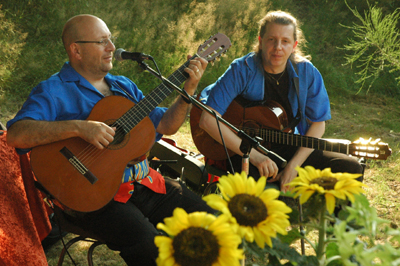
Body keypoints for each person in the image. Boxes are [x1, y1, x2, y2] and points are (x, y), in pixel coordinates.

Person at [7, 14, 214, 266]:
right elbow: (17, 134)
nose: (112, 48)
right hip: (87, 194)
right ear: (76, 50)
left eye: (111, 40)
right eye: (102, 41)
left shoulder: (123, 87)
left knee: (211, 221)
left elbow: (164, 125)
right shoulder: (53, 90)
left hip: (142, 183)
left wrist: (187, 93)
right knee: (150, 245)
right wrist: (79, 128)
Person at [199, 10, 363, 192]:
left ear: (294, 45)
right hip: (241, 149)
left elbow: (318, 124)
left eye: (285, 41)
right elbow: (207, 120)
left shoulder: (307, 72)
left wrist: (294, 166)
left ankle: (331, 219)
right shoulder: (242, 69)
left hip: (288, 145)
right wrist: (255, 156)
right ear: (261, 42)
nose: (278, 47)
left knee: (351, 168)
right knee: (253, 185)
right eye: (271, 40)